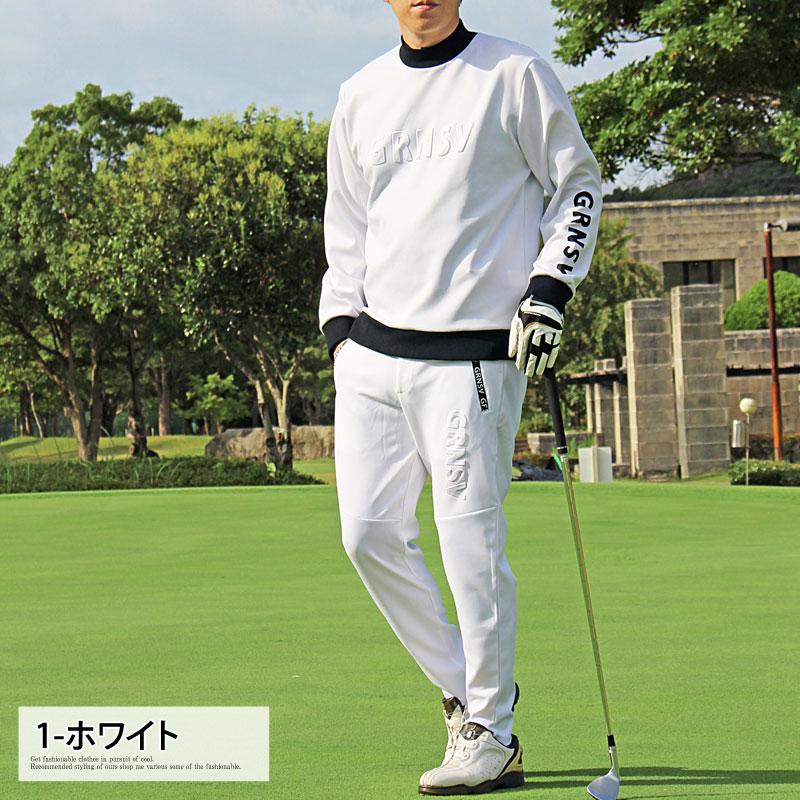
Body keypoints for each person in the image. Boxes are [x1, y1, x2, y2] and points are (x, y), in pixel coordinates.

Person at [318, 0, 602, 794]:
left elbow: (577, 185)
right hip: (372, 353)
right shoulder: (360, 93)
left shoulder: (513, 74)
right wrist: (339, 330)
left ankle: (491, 732)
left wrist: (549, 289)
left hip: (474, 356)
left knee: (469, 542)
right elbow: (347, 225)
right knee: (367, 534)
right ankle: (467, 696)